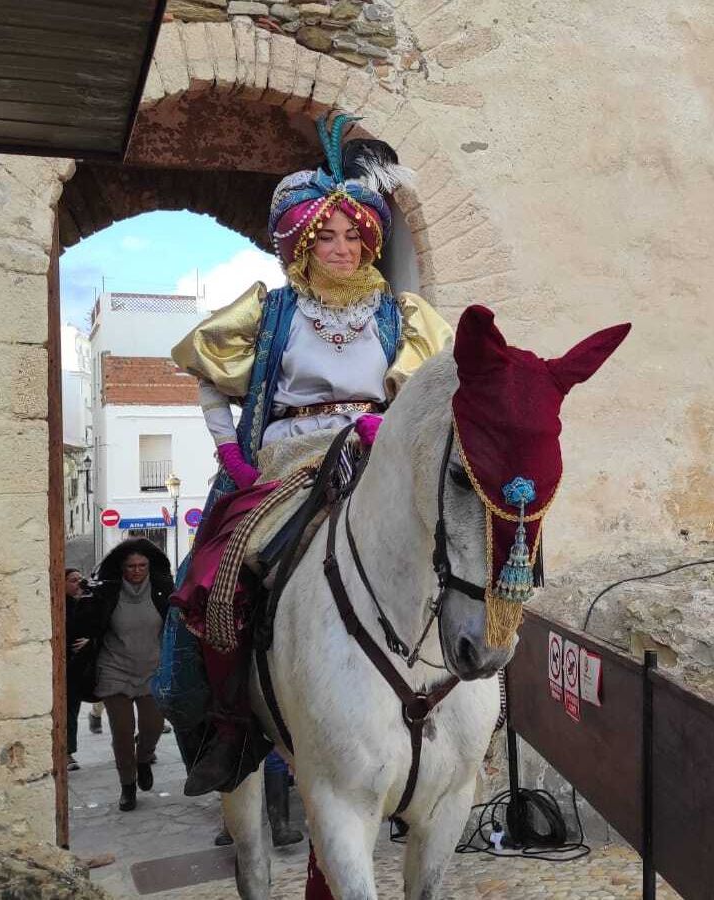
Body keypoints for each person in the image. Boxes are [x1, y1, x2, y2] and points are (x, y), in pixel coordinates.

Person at [168, 113, 450, 796]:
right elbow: (205, 370)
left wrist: (393, 430)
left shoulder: (401, 314)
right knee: (212, 575)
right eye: (326, 236)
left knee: (448, 547)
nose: (343, 247)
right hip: (281, 463)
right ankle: (226, 723)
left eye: (355, 235)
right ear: (300, 242)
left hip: (371, 455)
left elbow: (425, 387)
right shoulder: (272, 312)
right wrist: (228, 453)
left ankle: (455, 695)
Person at [86, 539, 174, 811]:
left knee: (153, 726)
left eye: (142, 565)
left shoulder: (163, 591)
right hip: (115, 668)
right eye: (130, 566)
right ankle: (127, 785)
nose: (136, 570)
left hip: (151, 669)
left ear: (150, 565)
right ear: (121, 568)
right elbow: (90, 623)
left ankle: (144, 757)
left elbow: (175, 625)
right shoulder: (107, 592)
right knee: (122, 733)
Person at [63, 567, 101, 770]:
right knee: (69, 709)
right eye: (72, 580)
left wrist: (90, 641)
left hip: (87, 665)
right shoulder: (62, 607)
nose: (78, 583)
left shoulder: (88, 602)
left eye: (80, 578)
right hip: (68, 665)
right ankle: (67, 752)